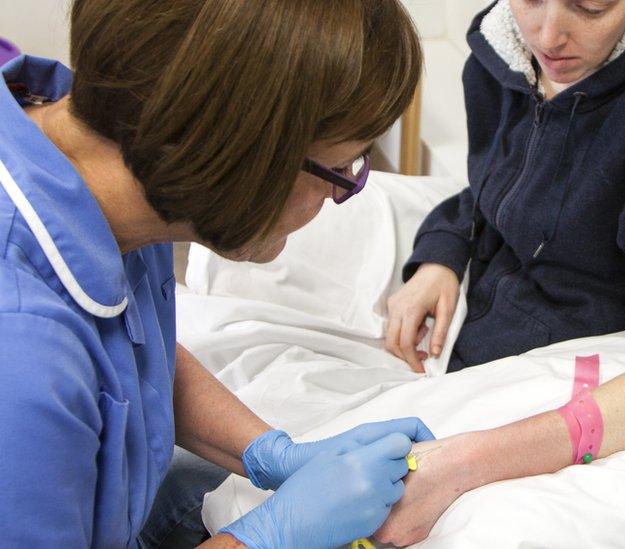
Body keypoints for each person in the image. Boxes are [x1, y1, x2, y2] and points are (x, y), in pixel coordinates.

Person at [0, 0, 433, 547]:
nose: (340, 195)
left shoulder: (122, 176)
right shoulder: (22, 355)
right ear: (236, 153)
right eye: (340, 169)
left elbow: (129, 353)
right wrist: (268, 536)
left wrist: (267, 452)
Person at [380, 0, 625, 544]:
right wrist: (441, 258)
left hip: (569, 359)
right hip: (476, 335)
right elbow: (498, 189)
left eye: (591, 6)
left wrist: (466, 465)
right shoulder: (500, 51)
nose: (549, 34)